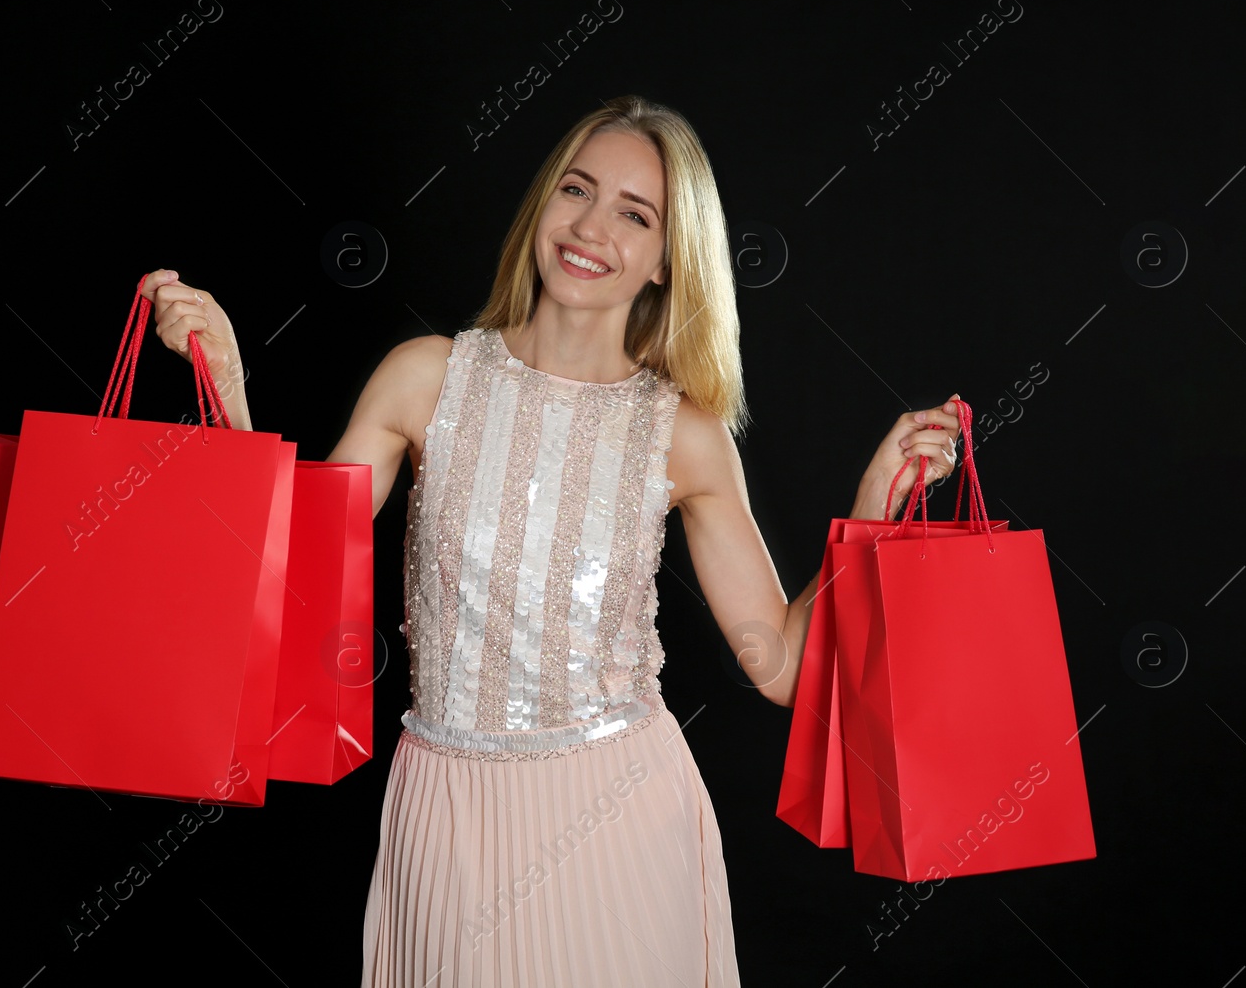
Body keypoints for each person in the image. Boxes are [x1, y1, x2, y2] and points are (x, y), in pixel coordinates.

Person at [137, 95, 963, 987]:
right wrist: (228, 389)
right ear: (543, 204)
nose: (591, 225)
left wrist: (872, 508)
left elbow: (785, 668)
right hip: (445, 818)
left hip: (617, 817)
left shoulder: (684, 433)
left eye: (634, 214)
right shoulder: (425, 377)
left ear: (663, 262)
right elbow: (282, 572)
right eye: (577, 189)